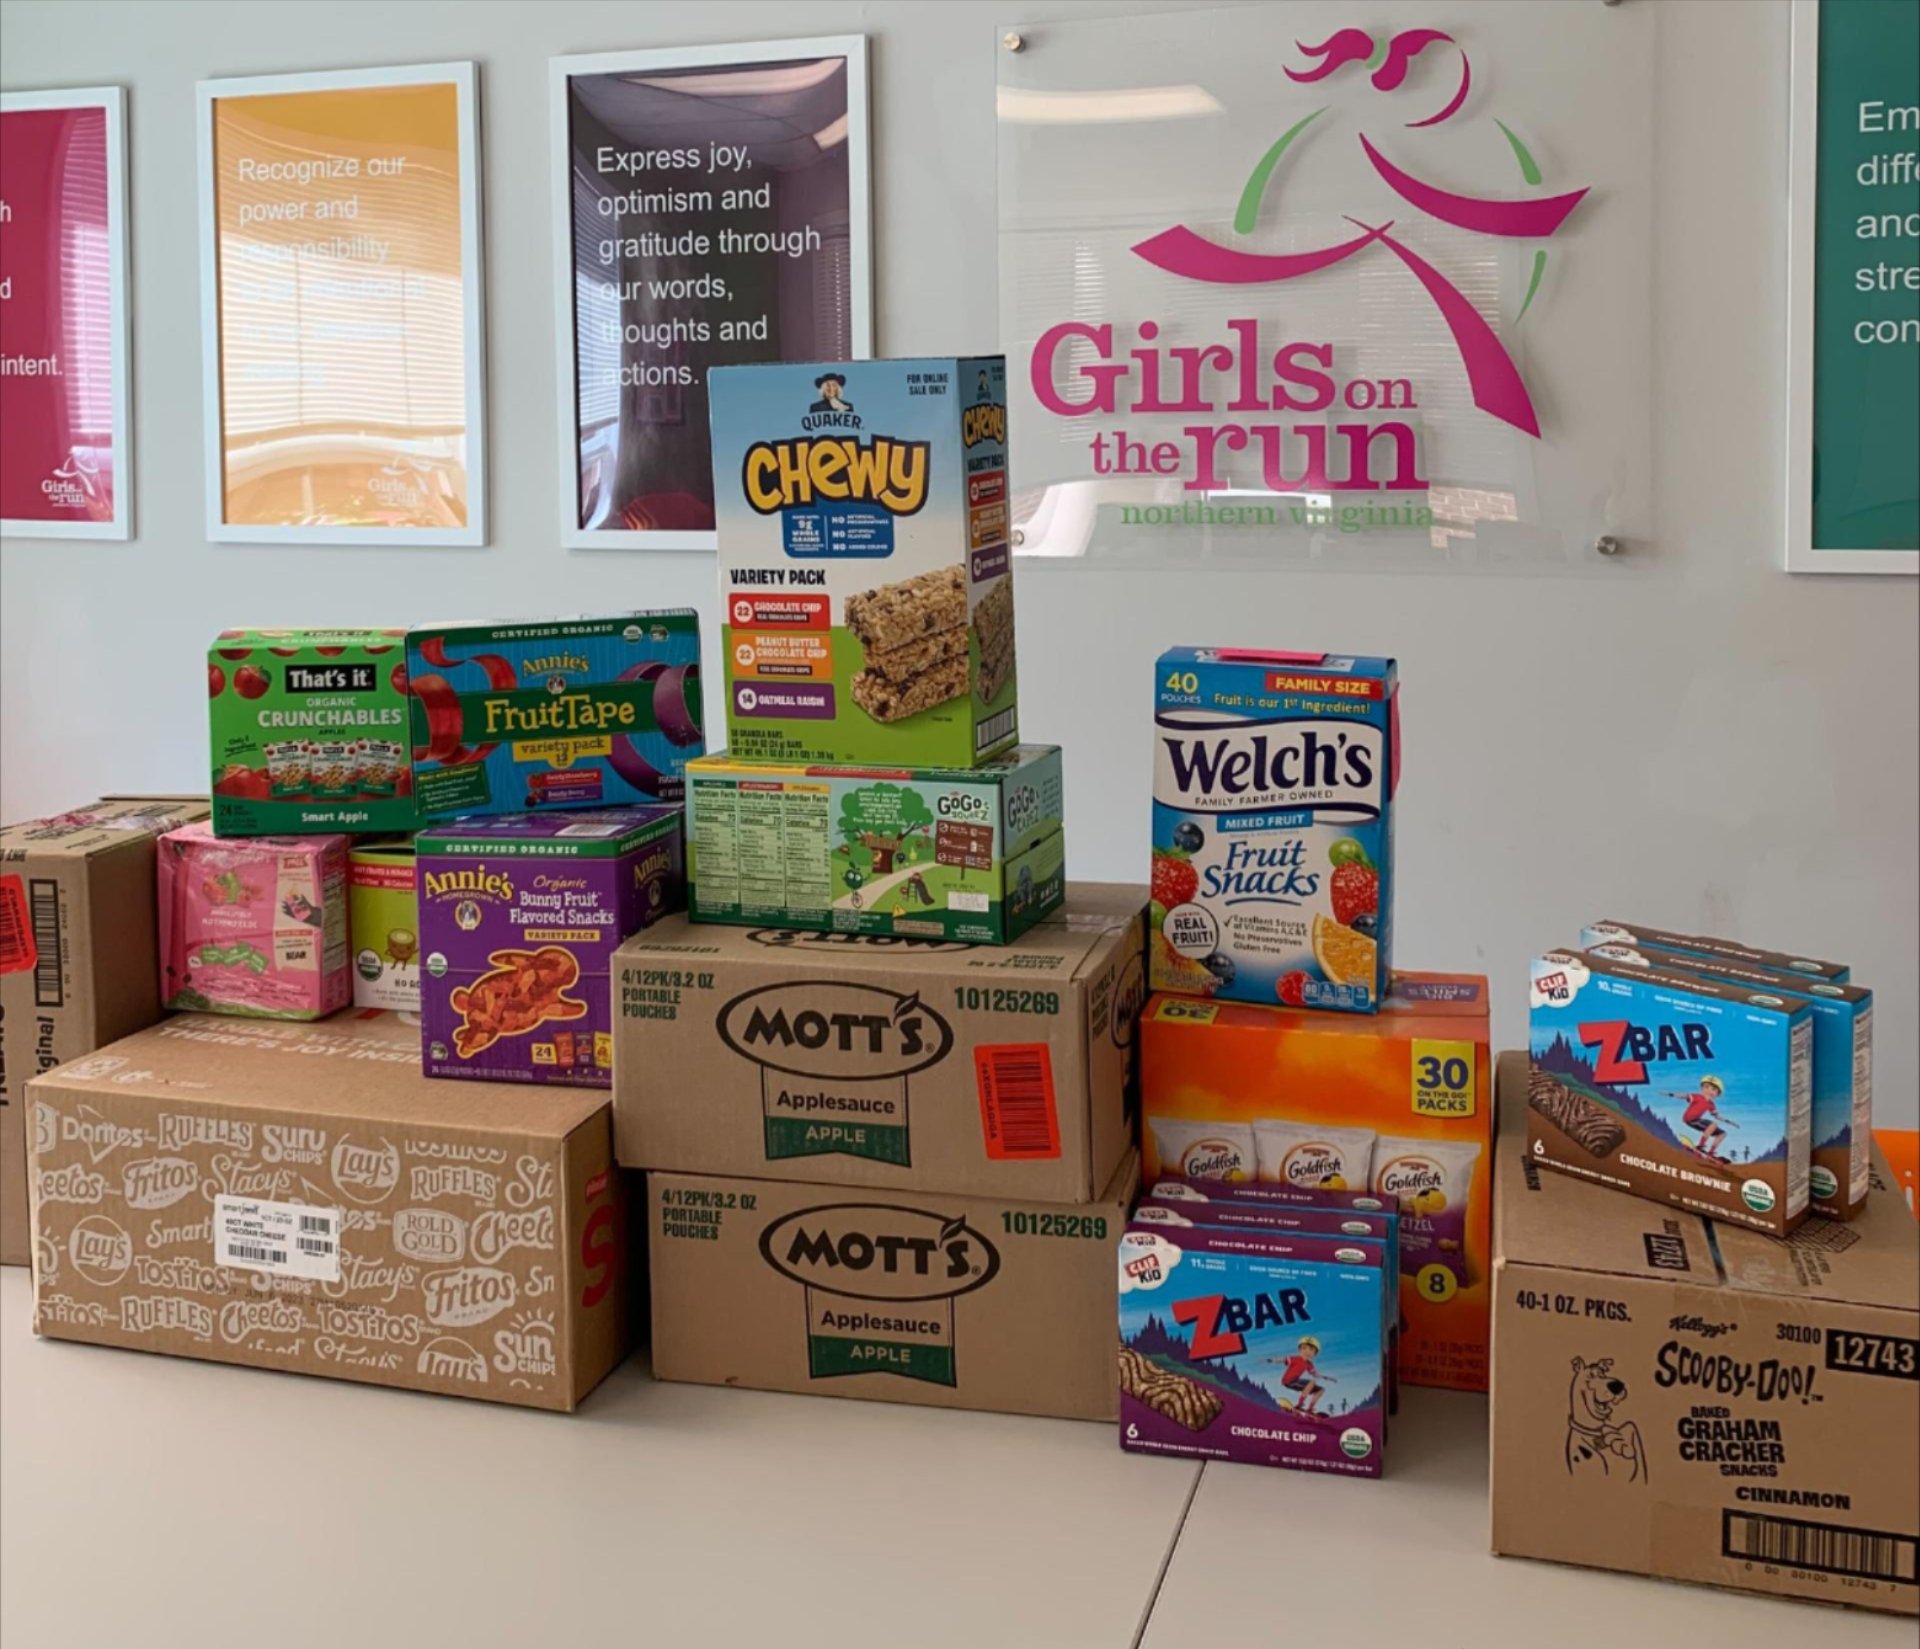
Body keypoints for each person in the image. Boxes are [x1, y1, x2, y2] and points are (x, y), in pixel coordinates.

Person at [1667, 1074, 1729, 1161]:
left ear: (1717, 1094)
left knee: (1722, 1133)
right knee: (1713, 1124)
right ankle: (1700, 1146)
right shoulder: (1697, 1097)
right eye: (1706, 1087)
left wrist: (1725, 1120)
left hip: (1698, 1120)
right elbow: (1685, 1096)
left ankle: (1710, 1152)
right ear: (1702, 1088)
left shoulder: (1711, 1104)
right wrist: (1672, 1094)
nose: (1709, 1091)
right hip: (1690, 1119)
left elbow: (1715, 1115)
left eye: (1713, 1089)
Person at [1268, 1335, 1334, 1414]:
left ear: (1315, 1354)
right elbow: (1283, 1359)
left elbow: (1314, 1374)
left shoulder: (1309, 1364)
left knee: (1321, 1390)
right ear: (1300, 1349)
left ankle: (1310, 1409)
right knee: (1312, 1382)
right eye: (1304, 1348)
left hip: (1297, 1381)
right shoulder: (1296, 1359)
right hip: (1289, 1381)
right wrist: (1272, 1360)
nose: (1307, 1352)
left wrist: (1323, 1377)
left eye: (1311, 1350)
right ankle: (1300, 1404)